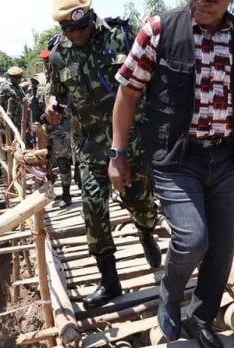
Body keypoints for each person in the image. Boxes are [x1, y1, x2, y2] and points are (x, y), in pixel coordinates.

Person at [110, 0, 234, 348]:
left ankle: (202, 316)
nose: (202, 2)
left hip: (225, 157)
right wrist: (118, 154)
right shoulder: (159, 31)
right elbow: (128, 92)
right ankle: (169, 295)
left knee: (221, 246)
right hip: (176, 157)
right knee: (192, 238)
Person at [46, 0, 161, 310]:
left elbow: (151, 79)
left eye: (79, 27)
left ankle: (146, 230)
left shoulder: (122, 37)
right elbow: (55, 89)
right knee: (94, 208)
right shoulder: (57, 53)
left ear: (91, 18)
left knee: (141, 202)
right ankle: (109, 281)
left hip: (130, 143)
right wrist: (52, 105)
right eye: (67, 29)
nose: (74, 34)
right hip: (88, 146)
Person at [41, 49, 73, 207]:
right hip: (49, 129)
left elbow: (70, 104)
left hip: (62, 128)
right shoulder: (49, 84)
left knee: (63, 162)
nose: (47, 67)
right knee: (48, 161)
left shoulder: (65, 80)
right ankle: (50, 192)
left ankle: (67, 195)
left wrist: (59, 112)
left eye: (48, 63)